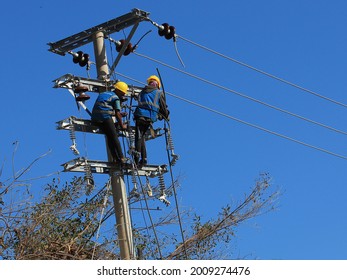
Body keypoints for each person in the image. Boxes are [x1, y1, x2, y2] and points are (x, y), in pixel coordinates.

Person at [133, 75, 169, 166]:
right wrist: (165, 116)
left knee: (139, 136)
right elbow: (163, 107)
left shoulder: (141, 92)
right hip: (150, 117)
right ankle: (143, 158)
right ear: (157, 84)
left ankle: (137, 158)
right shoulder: (158, 92)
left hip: (139, 116)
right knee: (142, 136)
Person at [91, 81, 128, 165]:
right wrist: (122, 125)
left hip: (95, 118)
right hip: (105, 117)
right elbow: (117, 113)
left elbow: (105, 107)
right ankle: (122, 158)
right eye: (123, 93)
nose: (123, 95)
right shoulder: (116, 98)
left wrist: (118, 114)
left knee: (109, 137)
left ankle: (115, 158)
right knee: (114, 137)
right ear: (119, 91)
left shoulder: (105, 94)